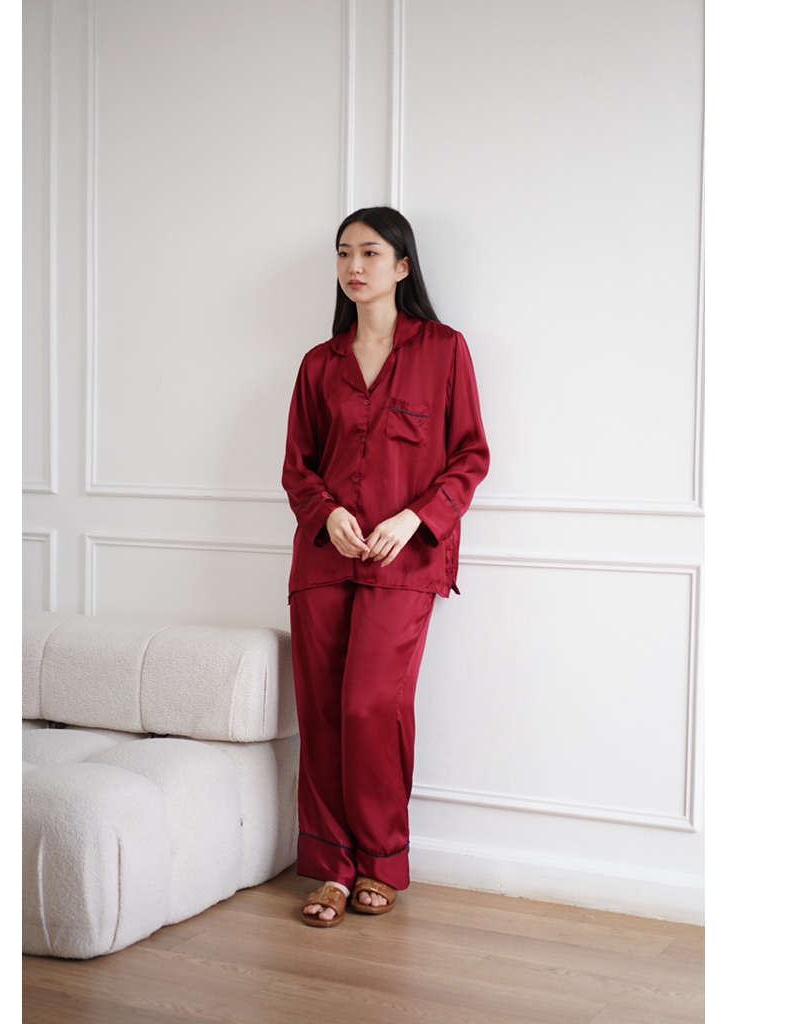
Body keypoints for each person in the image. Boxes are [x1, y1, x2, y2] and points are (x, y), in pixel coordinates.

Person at [281, 206, 490, 927]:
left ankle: (381, 858)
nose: (354, 266)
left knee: (371, 706)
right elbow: (298, 467)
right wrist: (326, 513)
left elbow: (471, 455)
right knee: (322, 711)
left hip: (406, 562)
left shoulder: (445, 350)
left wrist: (414, 518)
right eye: (344, 253)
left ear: (402, 266)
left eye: (370, 252)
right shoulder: (320, 364)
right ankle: (332, 870)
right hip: (324, 561)